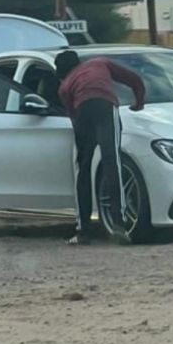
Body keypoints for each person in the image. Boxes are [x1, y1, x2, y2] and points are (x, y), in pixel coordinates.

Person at [55, 51, 145, 245]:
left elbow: (74, 118)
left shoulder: (64, 87)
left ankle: (82, 231)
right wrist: (139, 102)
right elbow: (134, 79)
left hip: (82, 111)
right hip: (105, 106)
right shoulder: (99, 63)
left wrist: (84, 138)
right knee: (112, 161)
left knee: (83, 168)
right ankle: (119, 225)